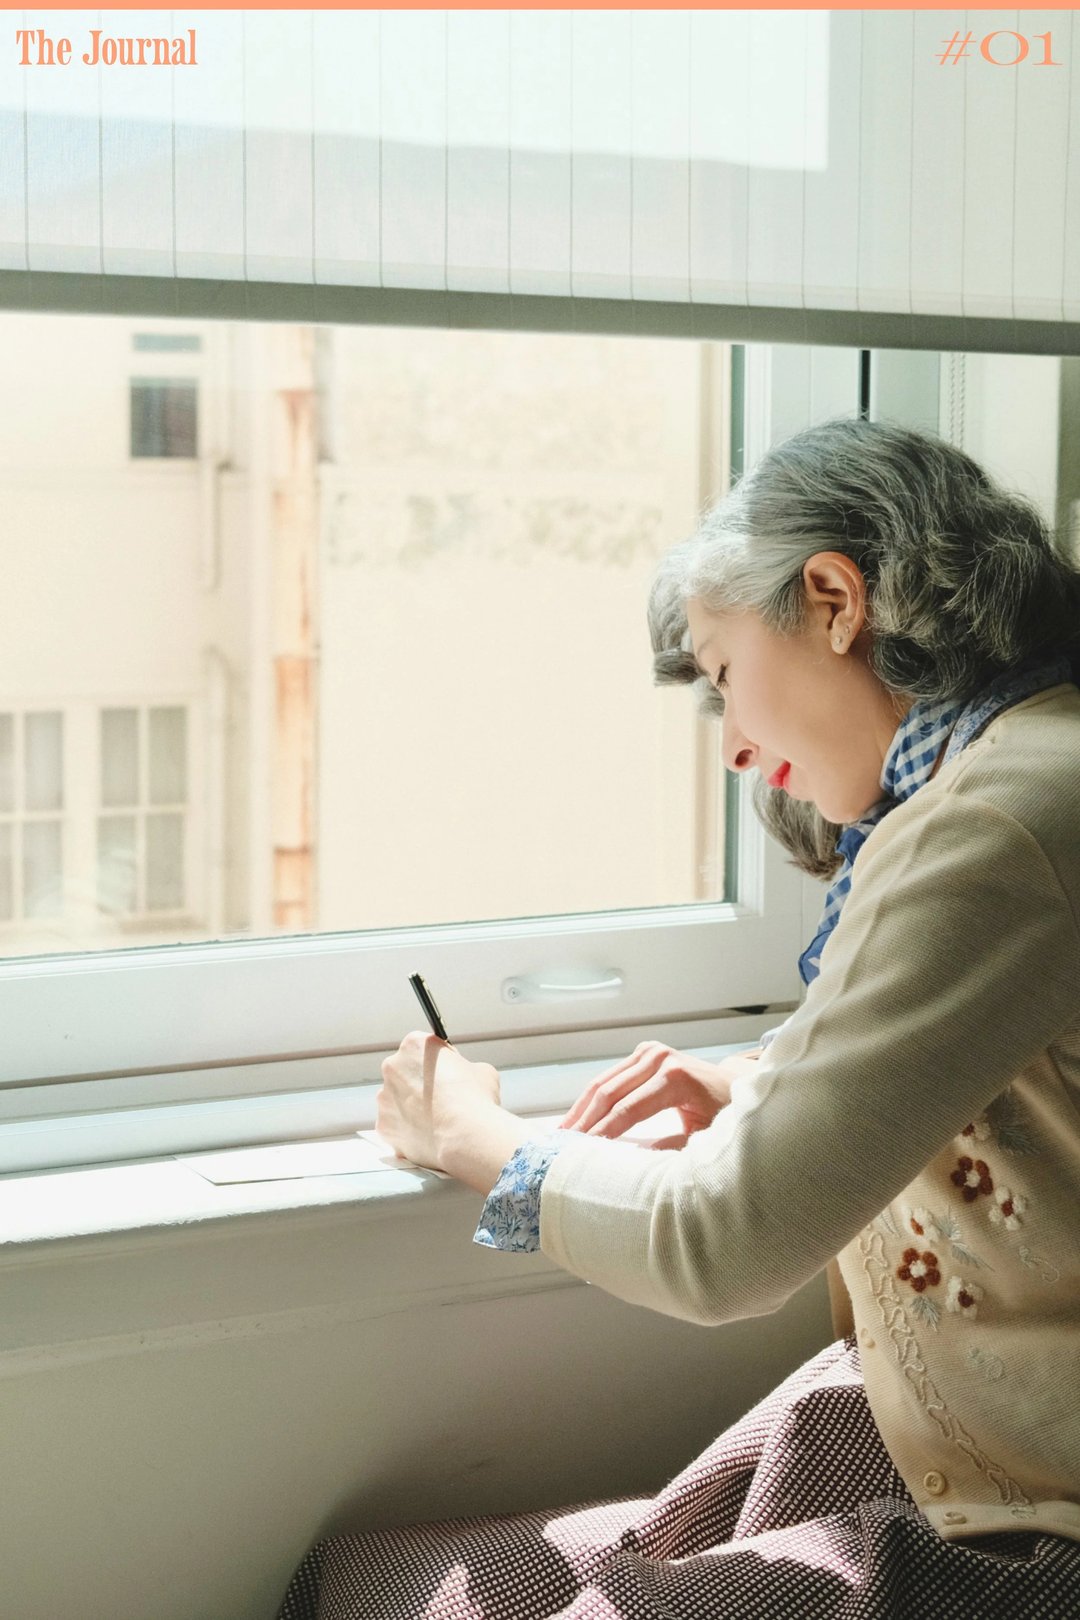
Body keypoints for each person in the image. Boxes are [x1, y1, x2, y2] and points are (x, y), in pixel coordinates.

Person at [277, 418, 1080, 1619]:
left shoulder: (996, 828)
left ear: (830, 597)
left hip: (1029, 1521)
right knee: (402, 1586)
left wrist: (475, 1142)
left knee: (430, 1597)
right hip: (960, 1438)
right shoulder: (1020, 774)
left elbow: (726, 1245)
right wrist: (753, 1083)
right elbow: (998, 1052)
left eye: (721, 674)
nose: (738, 750)